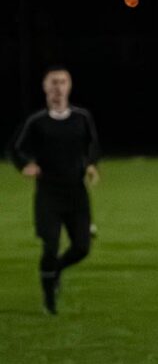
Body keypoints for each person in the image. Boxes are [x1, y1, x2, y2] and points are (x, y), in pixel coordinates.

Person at [11, 65, 100, 315]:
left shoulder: (82, 117)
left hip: (76, 194)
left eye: (62, 82)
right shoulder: (37, 121)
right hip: (48, 194)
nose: (58, 87)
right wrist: (24, 165)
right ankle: (49, 299)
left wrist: (91, 164)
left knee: (82, 248)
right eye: (53, 82)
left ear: (69, 86)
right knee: (50, 247)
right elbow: (16, 148)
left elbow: (93, 145)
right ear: (45, 88)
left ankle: (56, 270)